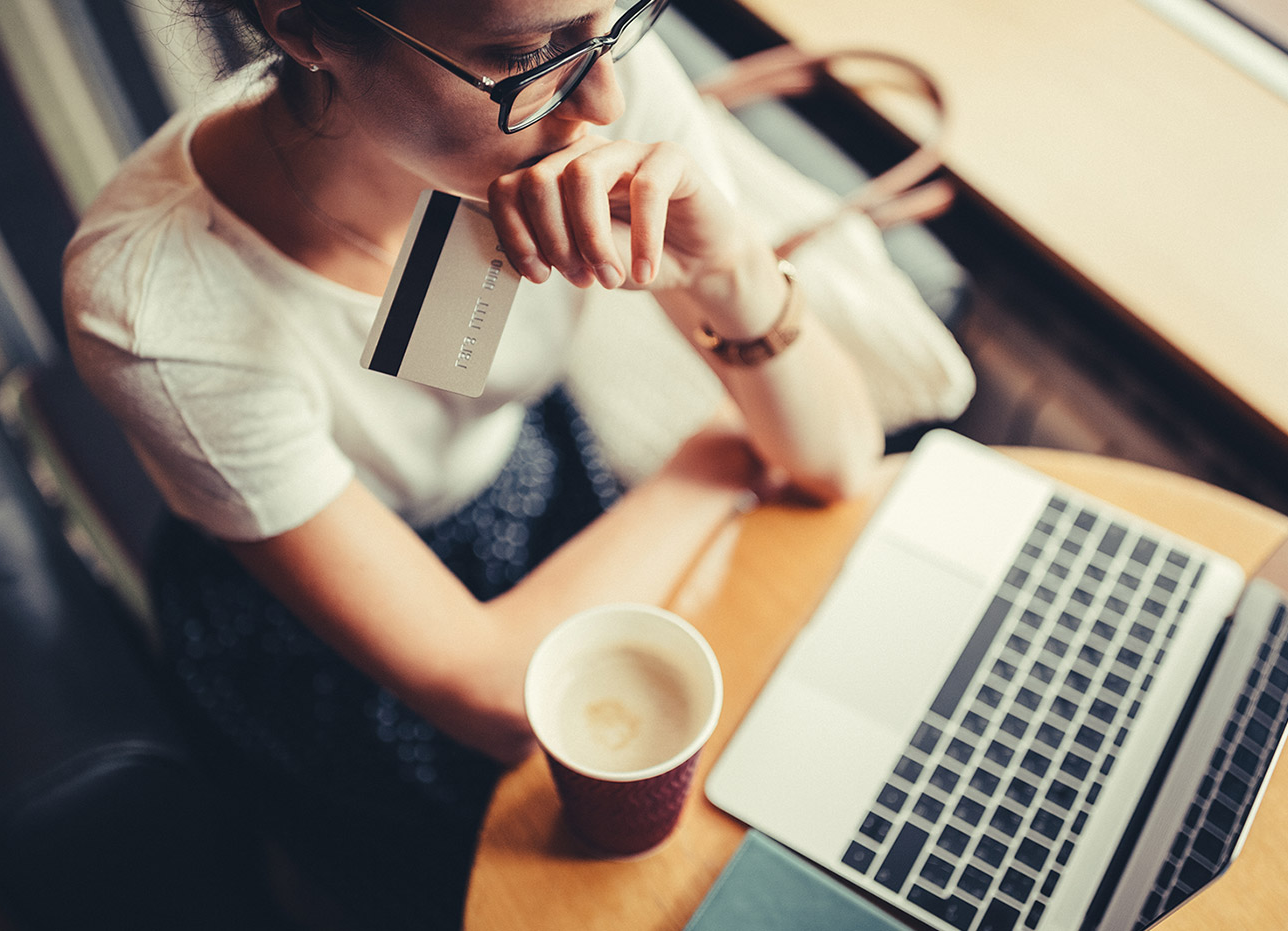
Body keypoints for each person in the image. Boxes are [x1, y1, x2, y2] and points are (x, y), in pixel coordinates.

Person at [62, 0, 974, 926]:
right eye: (522, 55)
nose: (605, 97)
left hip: (535, 481)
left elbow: (838, 457)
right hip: (329, 637)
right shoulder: (154, 310)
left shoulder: (591, 90)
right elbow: (498, 697)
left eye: (613, 22)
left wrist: (731, 269)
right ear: (307, 30)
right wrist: (715, 460)